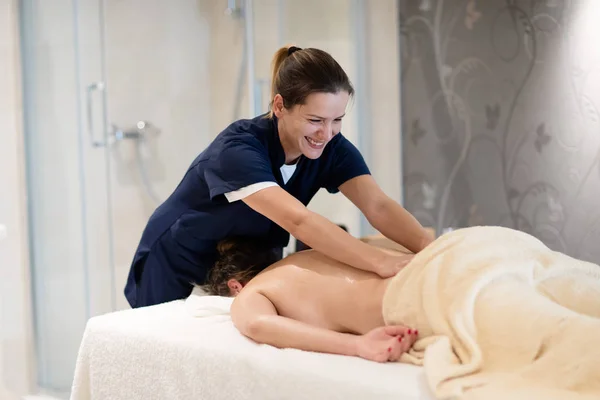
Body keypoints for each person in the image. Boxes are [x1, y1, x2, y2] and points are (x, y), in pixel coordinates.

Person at [124, 45, 433, 309]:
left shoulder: (332, 147)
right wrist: (380, 261)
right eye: (315, 120)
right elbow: (299, 221)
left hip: (244, 258)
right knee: (160, 341)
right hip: (177, 258)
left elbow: (377, 205)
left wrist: (430, 249)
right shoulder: (238, 150)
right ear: (280, 106)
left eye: (337, 120)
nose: (326, 134)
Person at [202, 236, 420, 363]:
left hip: (407, 300)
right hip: (425, 264)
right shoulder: (306, 255)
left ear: (234, 286)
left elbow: (256, 324)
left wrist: (357, 345)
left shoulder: (250, 292)